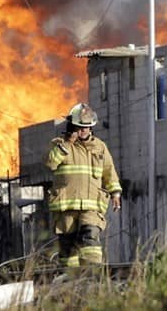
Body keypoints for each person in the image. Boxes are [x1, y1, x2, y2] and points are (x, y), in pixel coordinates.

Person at [45, 103, 122, 267]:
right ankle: (70, 282)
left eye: (86, 127)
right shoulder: (60, 144)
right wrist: (67, 144)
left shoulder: (100, 147)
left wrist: (115, 193)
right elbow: (50, 163)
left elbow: (109, 171)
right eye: (79, 127)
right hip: (67, 207)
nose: (83, 131)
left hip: (91, 205)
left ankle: (93, 275)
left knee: (90, 238)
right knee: (68, 248)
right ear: (71, 126)